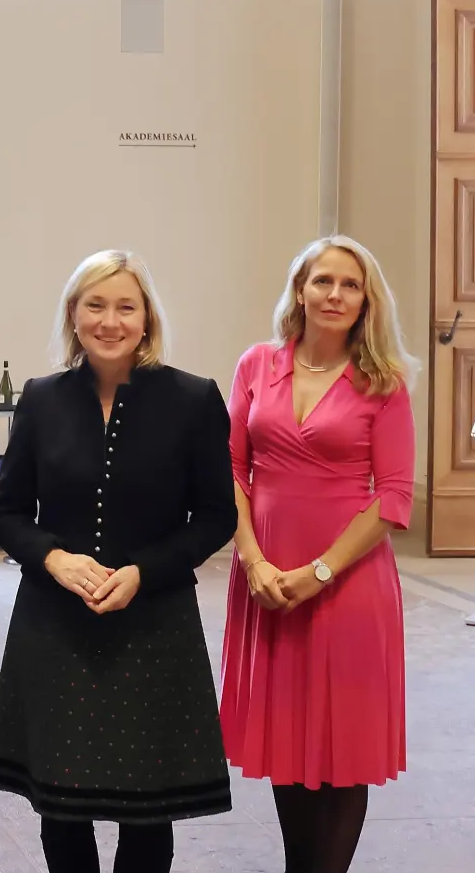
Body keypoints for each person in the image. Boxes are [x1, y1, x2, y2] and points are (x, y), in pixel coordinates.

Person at [0, 250, 236, 873]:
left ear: (147, 318)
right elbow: (7, 513)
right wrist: (54, 559)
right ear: (73, 314)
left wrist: (145, 571)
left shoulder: (194, 399)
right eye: (95, 304)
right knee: (60, 806)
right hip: (56, 623)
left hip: (152, 621)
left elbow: (215, 516)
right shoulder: (41, 400)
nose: (110, 320)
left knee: (147, 808)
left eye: (126, 306)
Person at [219, 235, 417, 873]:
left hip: (348, 582)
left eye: (350, 285)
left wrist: (319, 572)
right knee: (289, 738)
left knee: (341, 745)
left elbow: (391, 498)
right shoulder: (257, 364)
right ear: (300, 289)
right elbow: (231, 467)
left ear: (366, 302)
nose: (335, 294)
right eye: (323, 281)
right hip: (266, 577)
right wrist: (252, 558)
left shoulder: (383, 383)